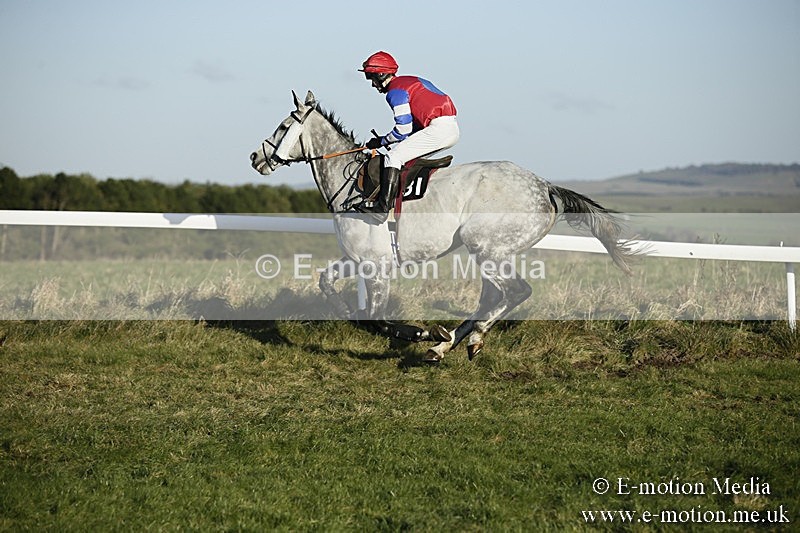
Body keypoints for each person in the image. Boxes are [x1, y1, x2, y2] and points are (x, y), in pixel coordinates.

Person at [356, 51, 459, 223]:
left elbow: (403, 129)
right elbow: (411, 128)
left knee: (393, 156)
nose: (372, 84)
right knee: (401, 155)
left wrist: (381, 141)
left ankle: (382, 208)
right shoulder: (409, 81)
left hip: (438, 130)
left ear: (381, 75)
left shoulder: (394, 92)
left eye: (371, 77)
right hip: (448, 127)